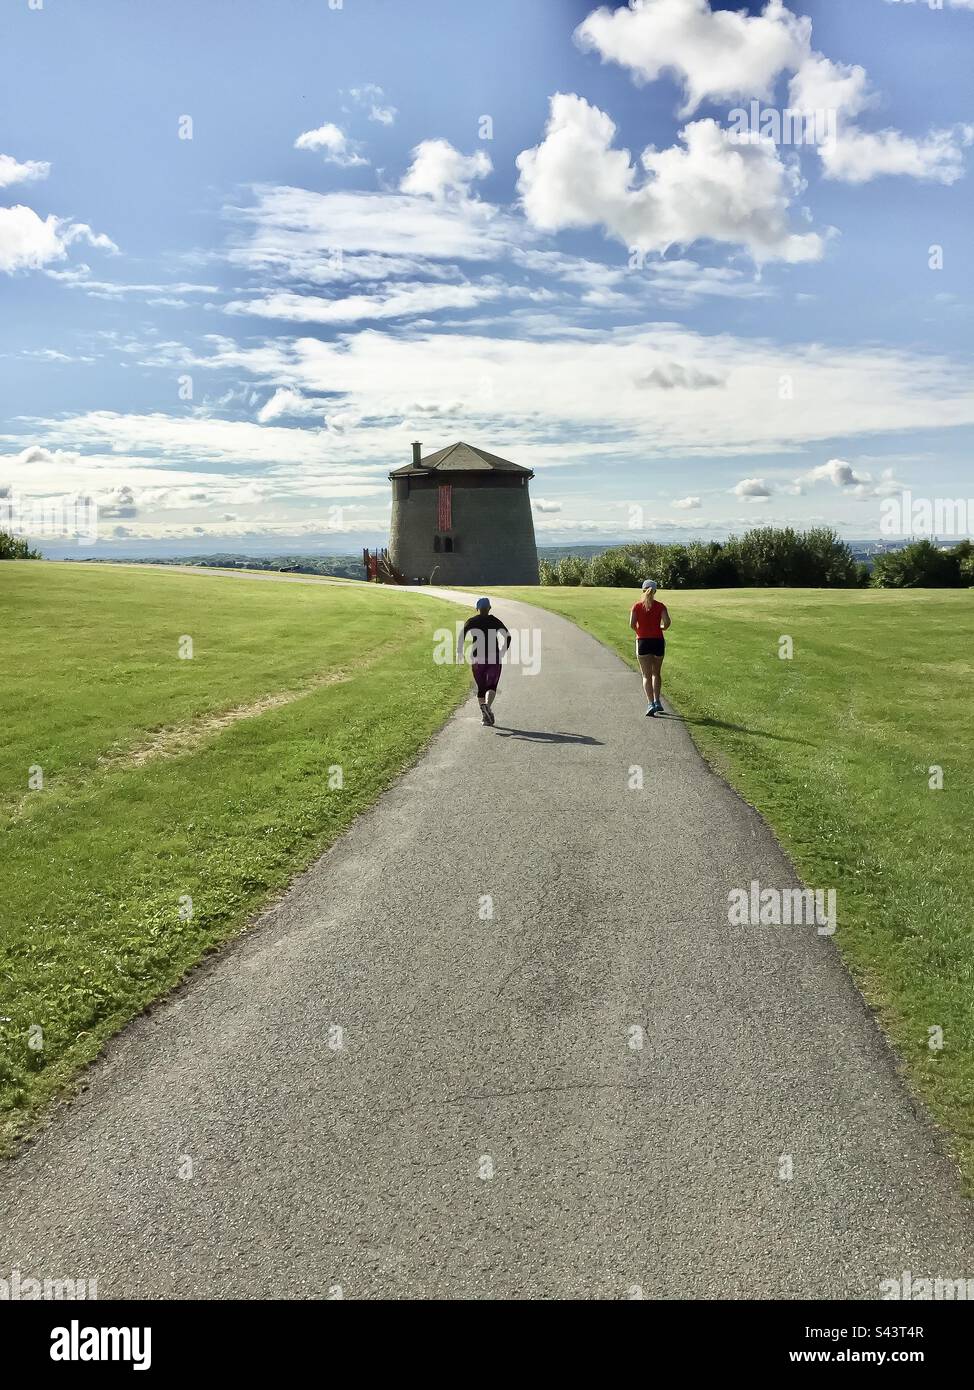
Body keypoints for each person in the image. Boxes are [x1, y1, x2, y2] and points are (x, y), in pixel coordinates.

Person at [457, 597, 511, 726]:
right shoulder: (494, 621)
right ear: (489, 608)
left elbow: (461, 636)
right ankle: (487, 706)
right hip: (494, 658)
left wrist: (459, 651)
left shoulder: (472, 621)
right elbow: (508, 636)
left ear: (477, 609)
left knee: (481, 688)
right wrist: (503, 650)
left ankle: (485, 717)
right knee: (491, 686)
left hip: (477, 659)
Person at [630, 579, 671, 717]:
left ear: (643, 590)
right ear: (655, 591)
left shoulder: (636, 606)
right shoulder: (660, 606)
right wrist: (660, 628)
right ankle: (658, 701)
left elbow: (632, 624)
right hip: (658, 641)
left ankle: (650, 703)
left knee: (646, 675)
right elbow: (667, 623)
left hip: (643, 641)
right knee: (656, 673)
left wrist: (640, 631)